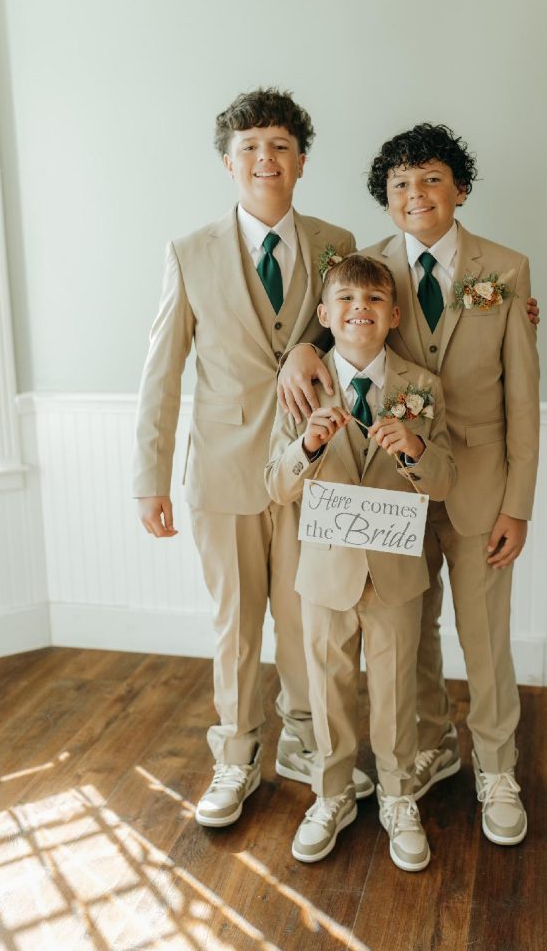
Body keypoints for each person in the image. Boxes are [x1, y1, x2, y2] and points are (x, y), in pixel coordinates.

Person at [278, 124, 540, 845]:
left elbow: (523, 398)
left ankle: (497, 769)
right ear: (385, 198)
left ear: (459, 189)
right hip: (384, 500)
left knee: (484, 638)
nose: (415, 194)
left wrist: (517, 504)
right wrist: (298, 351)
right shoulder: (366, 267)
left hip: (475, 489)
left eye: (430, 179)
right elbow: (330, 331)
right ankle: (427, 747)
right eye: (399, 184)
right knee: (409, 635)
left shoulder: (505, 270)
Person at [132, 87, 372, 829]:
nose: (265, 159)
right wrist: (149, 477)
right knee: (236, 626)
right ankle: (235, 756)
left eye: (280, 146)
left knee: (310, 622)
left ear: (301, 161)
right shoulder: (189, 252)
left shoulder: (336, 241)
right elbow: (162, 371)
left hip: (313, 468)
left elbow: (359, 324)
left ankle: (306, 741)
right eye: (250, 148)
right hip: (223, 470)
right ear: (228, 163)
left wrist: (310, 344)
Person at [266, 254, 455, 870]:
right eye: (346, 300)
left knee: (396, 690)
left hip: (396, 571)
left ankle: (399, 798)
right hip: (326, 570)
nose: (360, 310)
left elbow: (445, 481)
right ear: (324, 315)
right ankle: (332, 795)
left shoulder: (423, 387)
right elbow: (276, 484)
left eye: (374, 300)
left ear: (394, 315)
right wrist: (307, 445)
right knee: (327, 688)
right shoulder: (301, 385)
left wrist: (415, 449)